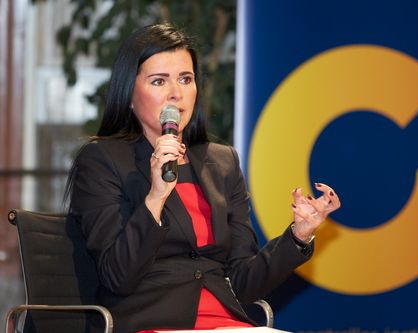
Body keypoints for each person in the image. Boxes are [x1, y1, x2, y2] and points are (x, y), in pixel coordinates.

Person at [66, 22, 340, 333]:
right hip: (150, 322)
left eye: (186, 79)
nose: (176, 94)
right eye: (159, 81)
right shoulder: (102, 160)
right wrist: (156, 197)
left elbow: (243, 284)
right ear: (129, 94)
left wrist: (298, 235)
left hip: (226, 322)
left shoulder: (222, 162)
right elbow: (118, 276)